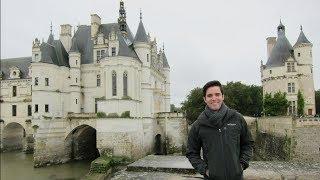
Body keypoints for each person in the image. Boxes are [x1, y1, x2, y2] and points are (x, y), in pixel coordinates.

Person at [186, 80, 253, 180]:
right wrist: (206, 171)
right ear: (204, 99)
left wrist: (242, 165)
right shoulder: (198, 125)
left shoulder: (237, 118)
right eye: (209, 95)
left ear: (223, 96)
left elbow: (248, 144)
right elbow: (191, 153)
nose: (214, 98)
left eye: (217, 94)